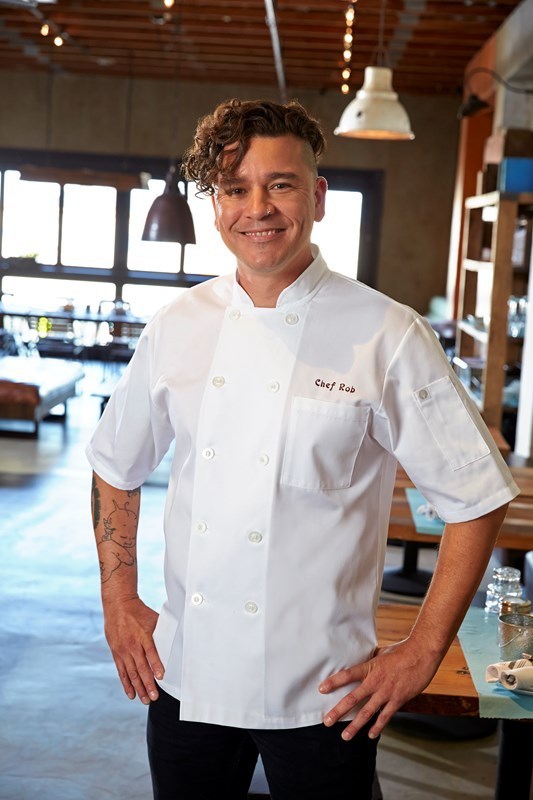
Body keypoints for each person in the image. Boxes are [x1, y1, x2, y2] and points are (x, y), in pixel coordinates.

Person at [87, 98, 519, 800]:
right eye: (235, 189)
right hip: (186, 674)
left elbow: (476, 495)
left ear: (317, 198)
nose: (257, 208)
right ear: (216, 205)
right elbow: (114, 465)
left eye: (280, 184)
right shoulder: (177, 325)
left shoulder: (387, 333)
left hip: (326, 693)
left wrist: (421, 650)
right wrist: (118, 597)